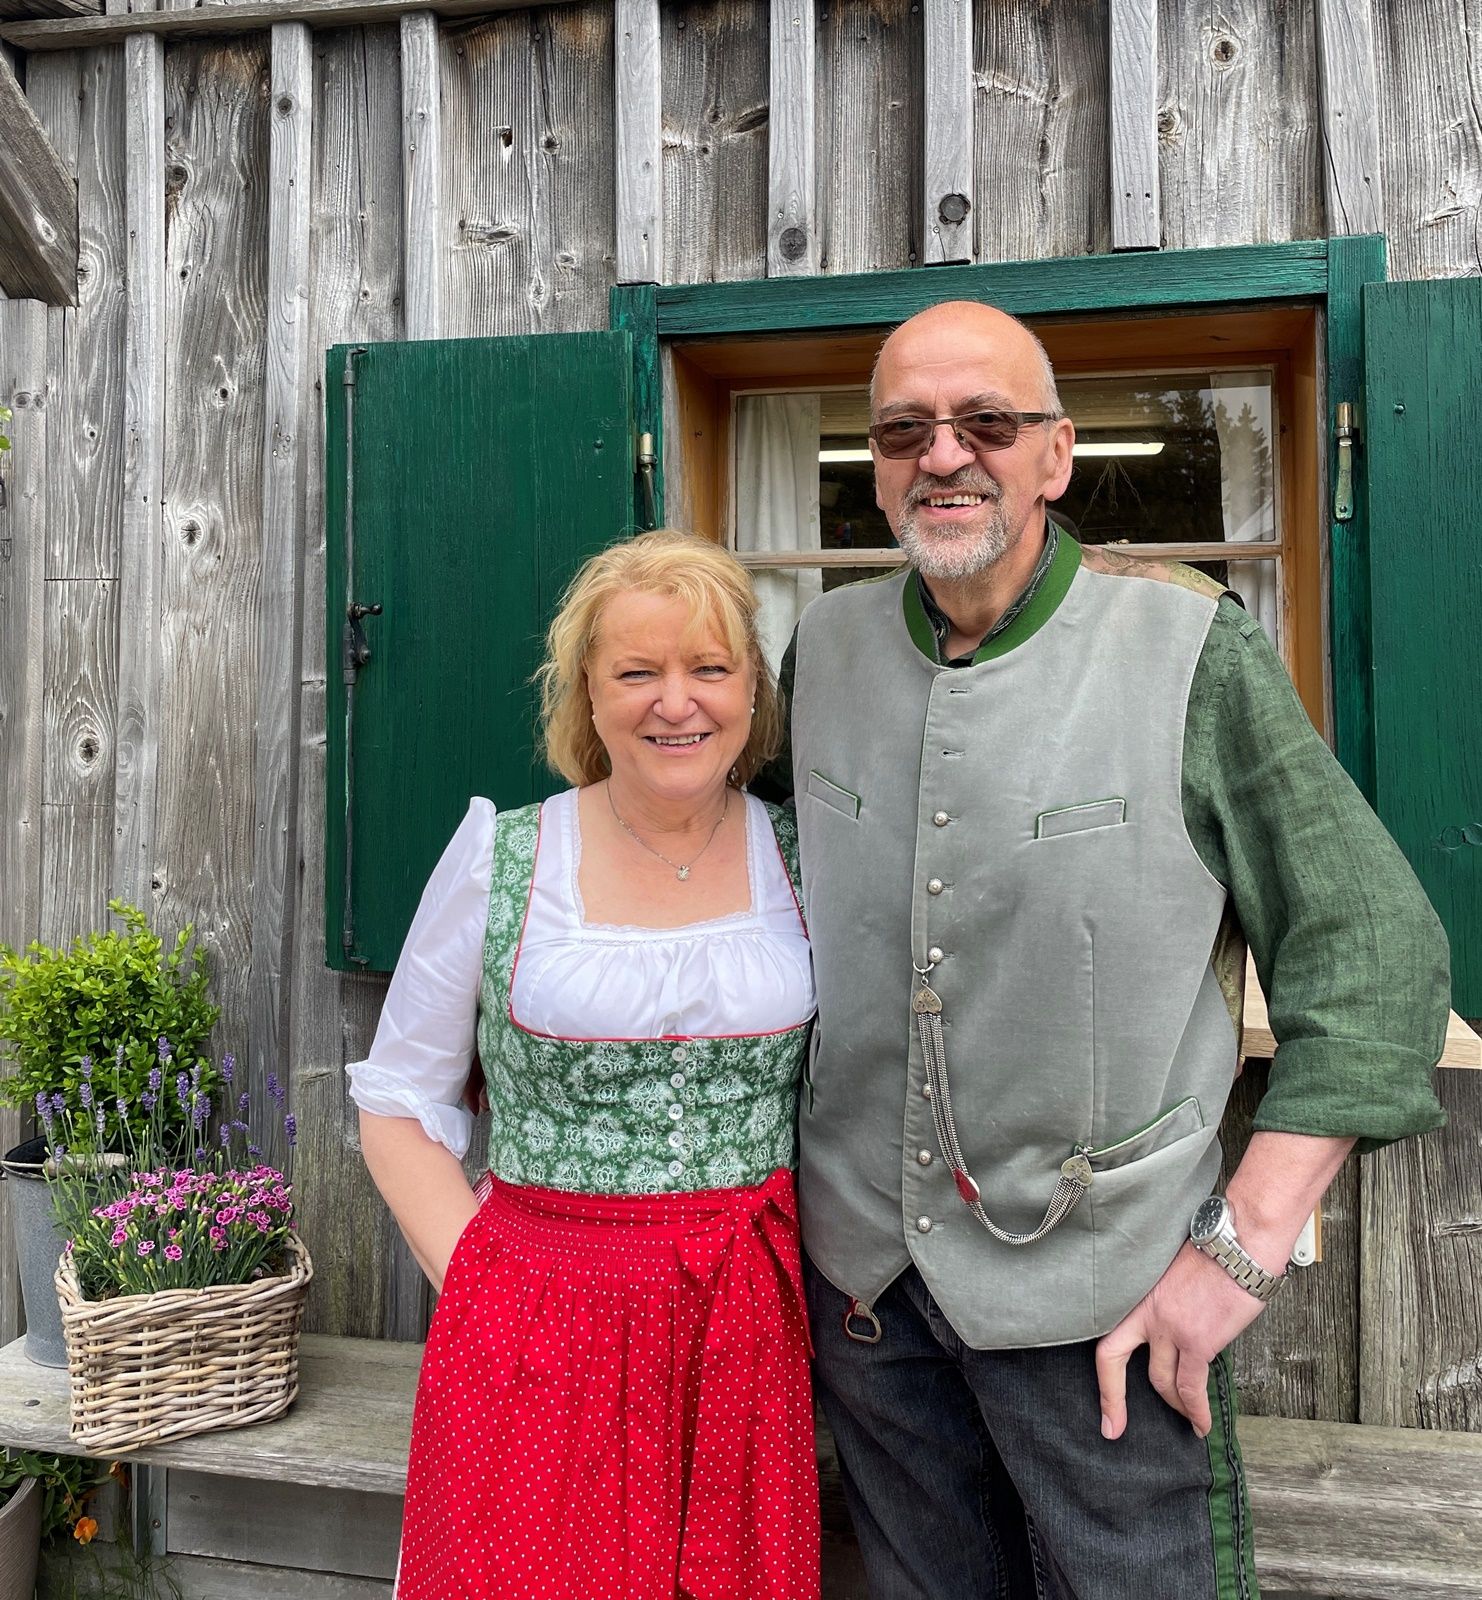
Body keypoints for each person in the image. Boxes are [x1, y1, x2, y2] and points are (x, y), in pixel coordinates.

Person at [759, 300, 1450, 1600]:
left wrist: (1238, 1253)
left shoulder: (1188, 647)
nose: (944, 455)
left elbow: (1371, 953)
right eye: (903, 429)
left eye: (987, 423)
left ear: (1056, 454)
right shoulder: (823, 650)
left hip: (1104, 1313)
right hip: (866, 1296)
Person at [348, 530, 821, 1600]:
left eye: (709, 667)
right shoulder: (506, 855)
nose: (677, 702)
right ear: (588, 697)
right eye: (637, 672)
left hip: (744, 1326)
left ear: (752, 689)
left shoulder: (805, 854)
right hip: (535, 1325)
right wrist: (487, 1287)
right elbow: (400, 1102)